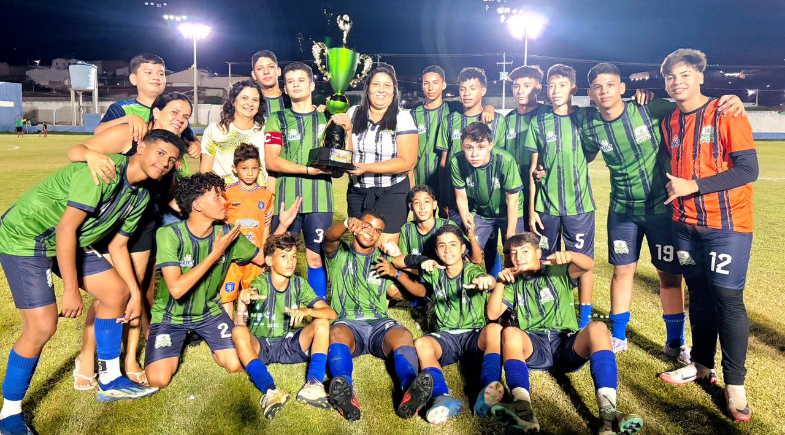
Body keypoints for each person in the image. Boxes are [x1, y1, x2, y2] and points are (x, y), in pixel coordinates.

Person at [0, 129, 185, 434]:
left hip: (68, 239)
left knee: (116, 292)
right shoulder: (104, 170)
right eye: (160, 153)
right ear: (140, 148)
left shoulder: (140, 194)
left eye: (171, 160)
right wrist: (71, 289)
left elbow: (117, 246)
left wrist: (135, 295)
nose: (164, 163)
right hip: (26, 237)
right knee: (42, 326)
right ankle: (9, 414)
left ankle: (110, 380)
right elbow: (65, 229)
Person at [577, 62, 748, 360]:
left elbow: (692, 104)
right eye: (597, 87)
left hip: (661, 210)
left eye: (610, 85)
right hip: (622, 210)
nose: (604, 91)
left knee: (669, 275)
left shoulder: (651, 109)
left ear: (622, 88)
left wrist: (730, 100)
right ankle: (618, 336)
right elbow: (581, 151)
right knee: (622, 270)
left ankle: (674, 341)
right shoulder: (590, 124)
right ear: (590, 93)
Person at [656, 49, 758, 423]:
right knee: (697, 294)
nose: (677, 81)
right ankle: (700, 364)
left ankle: (735, 384)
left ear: (700, 76)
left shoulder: (726, 111)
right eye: (670, 77)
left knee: (728, 300)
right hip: (684, 225)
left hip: (726, 226)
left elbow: (749, 169)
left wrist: (694, 185)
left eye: (684, 75)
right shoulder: (669, 123)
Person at [67, 92, 194, 389]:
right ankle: (87, 358)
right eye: (174, 112)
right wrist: (90, 154)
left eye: (186, 116)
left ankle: (130, 359)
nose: (180, 119)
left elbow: (168, 195)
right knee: (111, 293)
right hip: (111, 221)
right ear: (157, 111)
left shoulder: (174, 149)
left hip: (143, 222)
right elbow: (77, 150)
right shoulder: (134, 133)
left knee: (136, 291)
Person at [487, 233, 644, 435]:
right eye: (514, 253)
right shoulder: (512, 283)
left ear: (538, 253)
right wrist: (500, 282)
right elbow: (492, 314)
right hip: (534, 348)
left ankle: (608, 413)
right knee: (510, 333)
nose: (518, 257)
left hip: (565, 345)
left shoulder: (558, 271)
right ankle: (522, 408)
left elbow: (588, 265)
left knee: (598, 328)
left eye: (525, 251)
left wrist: (570, 255)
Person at [144, 172, 269, 388]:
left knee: (235, 364)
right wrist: (215, 254)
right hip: (170, 315)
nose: (224, 201)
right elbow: (176, 289)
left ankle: (214, 342)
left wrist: (281, 226)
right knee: (158, 379)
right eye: (217, 197)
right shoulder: (169, 234)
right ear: (197, 205)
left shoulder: (229, 233)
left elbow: (262, 258)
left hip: (209, 312)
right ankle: (177, 345)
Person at [392, 225, 503, 424]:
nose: (447, 250)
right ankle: (442, 397)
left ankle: (489, 388)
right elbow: (398, 261)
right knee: (421, 344)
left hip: (474, 335)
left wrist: (487, 280)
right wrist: (422, 261)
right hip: (446, 336)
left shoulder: (471, 270)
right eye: (441, 246)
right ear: (436, 251)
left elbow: (486, 279)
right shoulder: (435, 271)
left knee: (494, 329)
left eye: (453, 245)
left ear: (462, 249)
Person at [322, 210, 424, 421]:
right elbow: (329, 237)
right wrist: (346, 223)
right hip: (348, 323)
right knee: (335, 333)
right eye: (368, 226)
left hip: (379, 323)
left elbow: (411, 293)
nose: (372, 233)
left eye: (378, 231)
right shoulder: (338, 254)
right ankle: (344, 390)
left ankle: (410, 389)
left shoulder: (383, 261)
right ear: (357, 225)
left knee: (404, 335)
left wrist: (396, 273)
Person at [265, 62, 348, 300]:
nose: (295, 85)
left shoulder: (328, 118)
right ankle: (278, 305)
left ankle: (318, 307)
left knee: (314, 256)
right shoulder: (277, 118)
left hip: (320, 201)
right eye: (290, 81)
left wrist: (348, 131)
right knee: (281, 254)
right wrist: (308, 170)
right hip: (287, 201)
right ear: (285, 88)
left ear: (311, 84)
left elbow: (341, 158)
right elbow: (272, 161)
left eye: (301, 80)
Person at [231, 233, 337, 418]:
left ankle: (313, 384)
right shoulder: (260, 282)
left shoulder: (299, 284)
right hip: (261, 345)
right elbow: (253, 292)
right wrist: (244, 299)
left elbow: (331, 313)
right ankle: (270, 390)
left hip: (288, 344)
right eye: (284, 256)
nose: (291, 262)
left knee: (321, 322)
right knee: (239, 331)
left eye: (294, 256)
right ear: (270, 261)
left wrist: (307, 311)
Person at [524, 64, 595, 329]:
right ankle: (548, 306)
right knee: (545, 259)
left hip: (579, 206)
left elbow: (591, 151)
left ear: (573, 89)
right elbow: (534, 170)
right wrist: (531, 210)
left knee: (582, 261)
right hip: (546, 206)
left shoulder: (585, 118)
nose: (555, 91)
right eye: (552, 86)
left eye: (562, 85)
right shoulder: (539, 121)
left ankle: (584, 318)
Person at [441, 67, 509, 276]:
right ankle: (464, 289)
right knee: (461, 246)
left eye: (473, 88)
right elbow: (444, 163)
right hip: (457, 196)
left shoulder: (496, 120)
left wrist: (489, 108)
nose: (467, 93)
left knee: (490, 244)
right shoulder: (450, 120)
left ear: (483, 90)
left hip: (489, 198)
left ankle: (495, 285)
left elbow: (501, 159)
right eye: (462, 89)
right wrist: (445, 197)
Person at [343, 64, 418, 245]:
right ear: (367, 88)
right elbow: (347, 152)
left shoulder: (403, 117)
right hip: (358, 191)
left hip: (391, 191)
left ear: (394, 91)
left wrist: (367, 168)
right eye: (376, 84)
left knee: (385, 248)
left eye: (387, 86)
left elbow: (407, 161)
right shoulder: (353, 113)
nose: (381, 90)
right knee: (362, 246)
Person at [409, 65, 495, 207]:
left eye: (435, 83)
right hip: (421, 177)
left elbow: (473, 106)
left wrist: (489, 107)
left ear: (443, 85)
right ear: (422, 86)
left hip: (448, 177)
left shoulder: (453, 108)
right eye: (426, 83)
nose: (430, 88)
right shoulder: (413, 114)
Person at [94, 53, 200, 159]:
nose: (156, 77)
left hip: (173, 171)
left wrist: (195, 143)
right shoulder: (122, 107)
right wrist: (128, 118)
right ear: (133, 79)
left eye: (161, 74)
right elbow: (98, 132)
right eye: (148, 72)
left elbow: (188, 136)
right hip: (136, 169)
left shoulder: (173, 110)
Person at [452, 122, 525, 273]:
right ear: (461, 146)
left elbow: (513, 200)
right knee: (470, 253)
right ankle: (475, 289)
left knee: (514, 252)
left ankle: (513, 291)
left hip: (508, 213)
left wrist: (510, 237)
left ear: (491, 145)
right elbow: (461, 198)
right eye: (469, 148)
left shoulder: (505, 160)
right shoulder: (456, 161)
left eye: (480, 147)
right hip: (482, 213)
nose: (474, 154)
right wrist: (469, 228)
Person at [220, 144, 274, 317]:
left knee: (252, 295)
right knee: (227, 296)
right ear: (235, 169)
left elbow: (266, 225)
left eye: (254, 168)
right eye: (244, 168)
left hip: (256, 256)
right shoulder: (226, 193)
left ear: (259, 168)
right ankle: (228, 334)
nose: (250, 173)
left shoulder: (265, 196)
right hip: (233, 255)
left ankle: (248, 330)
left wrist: (265, 253)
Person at [504, 65, 550, 230]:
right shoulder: (508, 118)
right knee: (517, 238)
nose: (520, 91)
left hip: (540, 182)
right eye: (516, 86)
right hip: (512, 183)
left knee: (539, 239)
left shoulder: (548, 114)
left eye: (527, 86)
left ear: (538, 88)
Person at [200, 80, 268, 187]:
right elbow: (205, 172)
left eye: (255, 100)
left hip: (260, 199)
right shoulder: (216, 130)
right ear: (233, 101)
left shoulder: (266, 131)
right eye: (244, 98)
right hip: (225, 198)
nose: (250, 103)